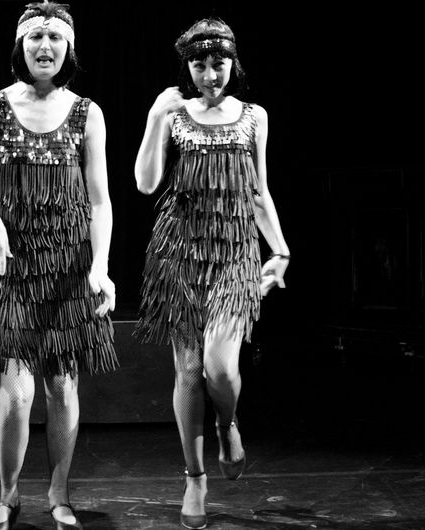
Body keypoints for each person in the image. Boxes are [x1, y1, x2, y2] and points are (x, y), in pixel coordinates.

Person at [0, 2, 118, 528]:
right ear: (20, 45)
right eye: (35, 37)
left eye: (55, 37)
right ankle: (7, 494)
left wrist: (100, 266)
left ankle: (59, 493)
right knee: (18, 394)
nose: (45, 46)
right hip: (13, 269)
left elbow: (99, 201)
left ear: (69, 47)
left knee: (62, 387)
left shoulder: (87, 113)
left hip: (70, 266)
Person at [133, 17, 290, 530]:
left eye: (218, 63)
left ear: (232, 62)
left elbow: (258, 190)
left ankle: (227, 423)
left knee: (220, 368)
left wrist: (281, 250)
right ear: (188, 68)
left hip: (235, 252)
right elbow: (146, 183)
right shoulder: (175, 114)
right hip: (179, 253)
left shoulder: (254, 116)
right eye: (199, 65)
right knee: (188, 372)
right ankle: (195, 478)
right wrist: (155, 117)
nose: (210, 74)